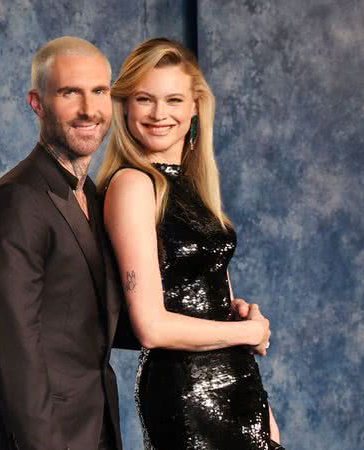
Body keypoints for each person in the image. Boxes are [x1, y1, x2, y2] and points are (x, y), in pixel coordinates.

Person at [98, 38, 283, 449]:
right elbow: (151, 326)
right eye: (145, 99)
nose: (160, 114)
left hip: (240, 383)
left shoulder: (196, 188)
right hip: (186, 391)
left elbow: (215, 289)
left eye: (174, 99)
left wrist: (261, 404)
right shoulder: (133, 184)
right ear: (125, 106)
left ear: (196, 106)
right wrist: (247, 333)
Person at [0, 36, 122, 450]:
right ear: (37, 103)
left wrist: (220, 322)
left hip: (94, 426)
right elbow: (16, 356)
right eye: (71, 92)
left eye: (100, 92)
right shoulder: (15, 200)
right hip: (38, 437)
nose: (89, 109)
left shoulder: (99, 197)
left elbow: (97, 321)